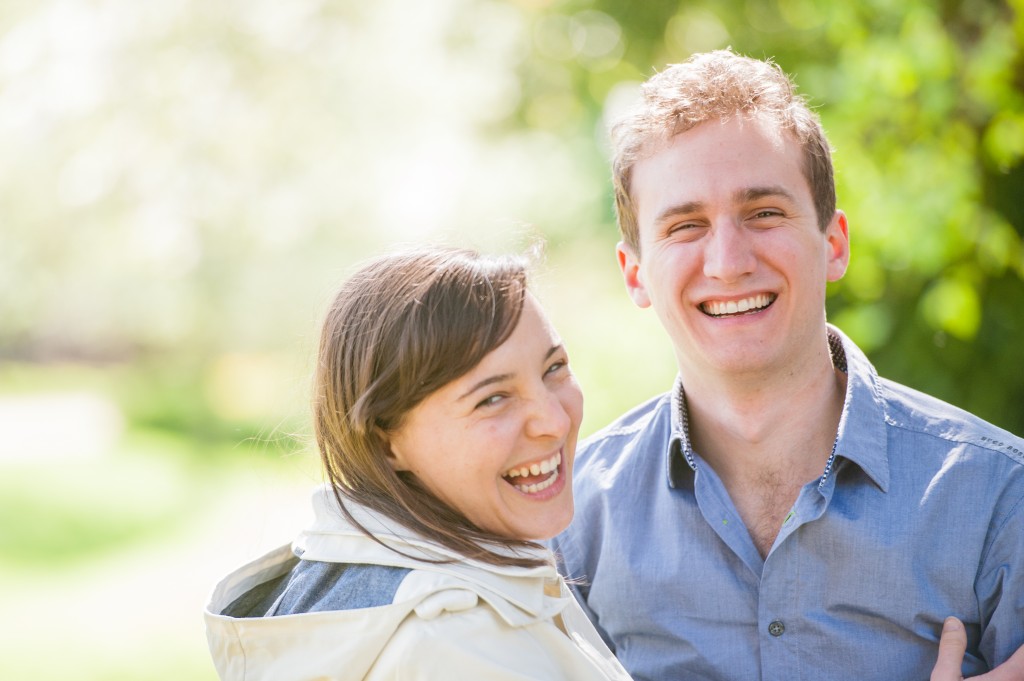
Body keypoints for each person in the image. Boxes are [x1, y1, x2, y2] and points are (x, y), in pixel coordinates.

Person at [550, 49, 1024, 681]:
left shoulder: (1000, 498)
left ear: (834, 243)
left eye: (763, 213)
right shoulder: (572, 520)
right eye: (686, 226)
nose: (728, 261)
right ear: (636, 275)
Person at [204, 246, 631, 680]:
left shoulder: (353, 582)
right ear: (386, 443)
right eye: (493, 398)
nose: (555, 422)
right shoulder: (458, 644)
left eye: (554, 367)